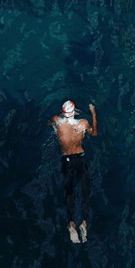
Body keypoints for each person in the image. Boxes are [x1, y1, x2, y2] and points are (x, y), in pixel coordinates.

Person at [48, 100, 99, 243]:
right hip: (80, 158)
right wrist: (93, 113)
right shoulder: (82, 123)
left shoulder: (57, 120)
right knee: (85, 190)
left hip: (66, 160)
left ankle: (71, 223)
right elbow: (94, 133)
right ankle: (84, 222)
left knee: (69, 191)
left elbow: (49, 124)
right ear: (74, 111)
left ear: (63, 112)